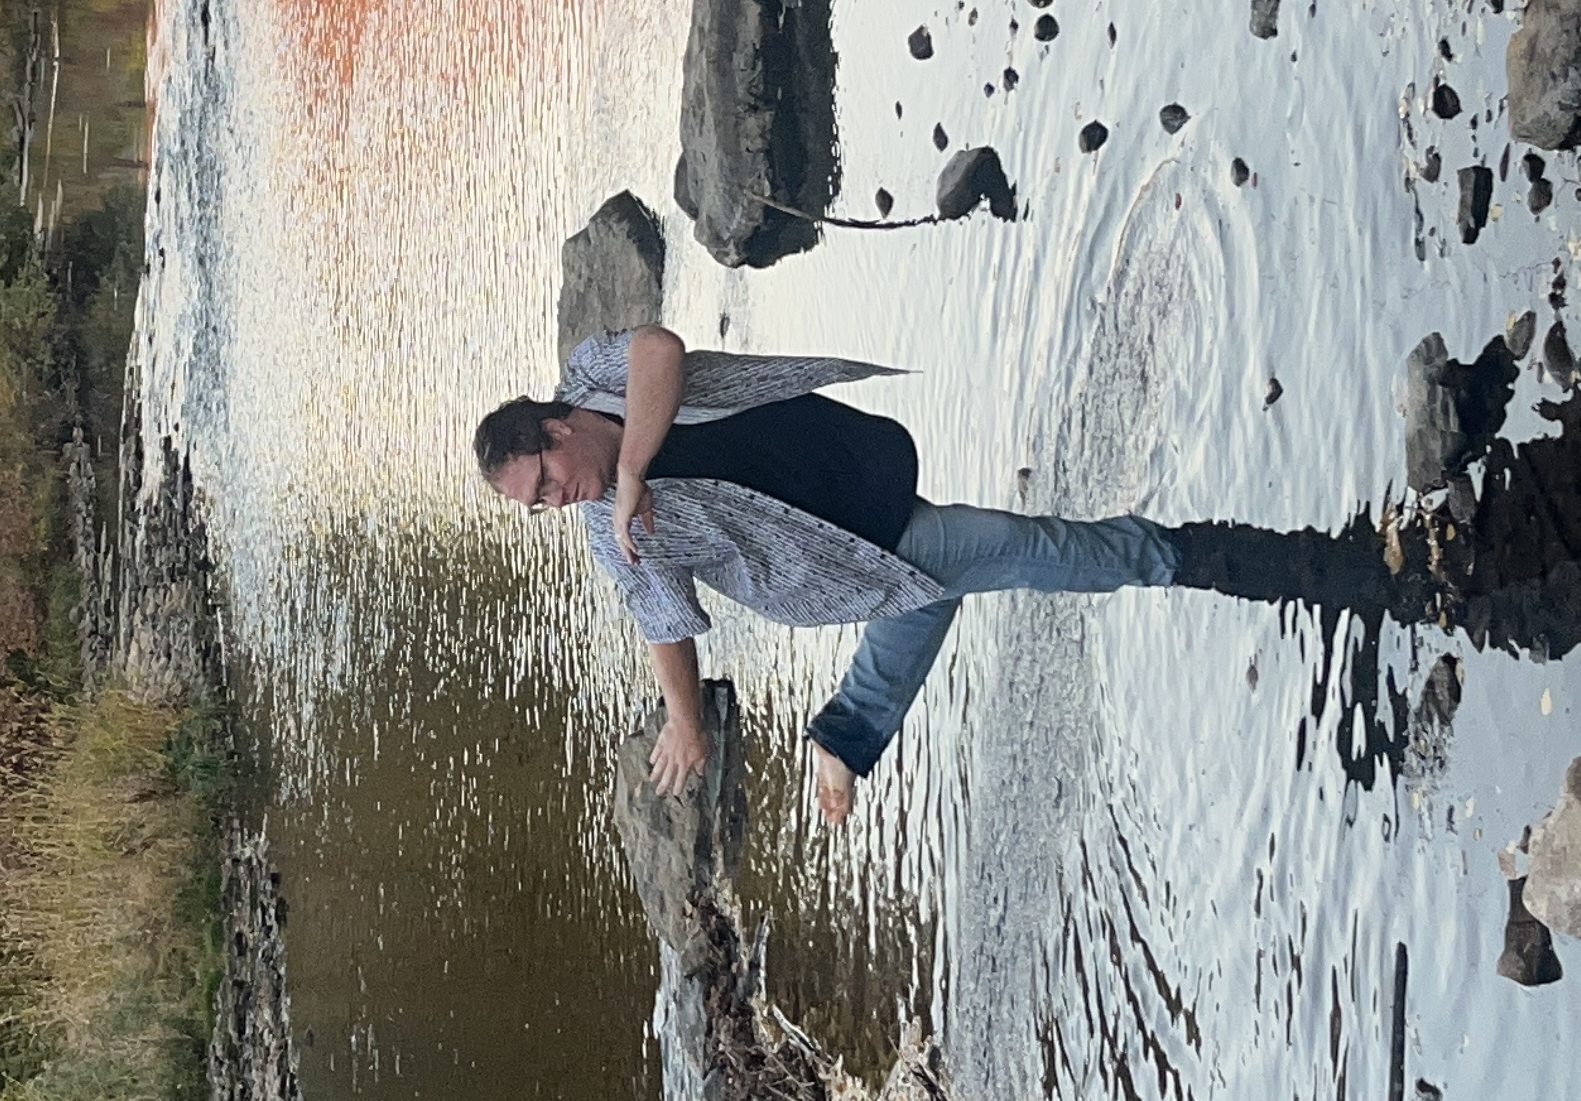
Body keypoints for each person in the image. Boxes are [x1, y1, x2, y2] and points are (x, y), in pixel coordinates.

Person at [474, 322, 1201, 825]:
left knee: (924, 600)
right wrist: (685, 724)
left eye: (542, 484)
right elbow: (663, 622)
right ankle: (1180, 557)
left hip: (852, 467)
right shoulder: (615, 532)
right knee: (1024, 549)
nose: (552, 502)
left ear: (557, 430)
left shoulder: (594, 375)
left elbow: (660, 350)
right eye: (535, 506)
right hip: (835, 547)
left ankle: (846, 735)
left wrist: (633, 465)